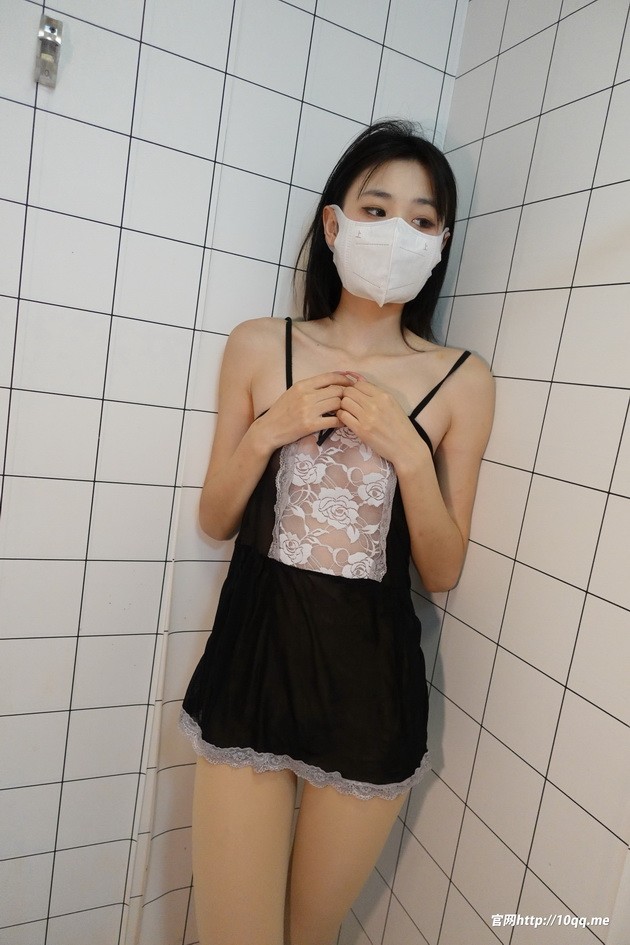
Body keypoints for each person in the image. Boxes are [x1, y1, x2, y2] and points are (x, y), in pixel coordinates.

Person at [180, 119, 495, 945]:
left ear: (440, 244)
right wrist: (270, 428)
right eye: (377, 209)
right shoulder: (261, 345)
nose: (397, 233)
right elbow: (215, 517)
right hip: (254, 661)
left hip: (370, 686)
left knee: (310, 935)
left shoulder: (461, 380)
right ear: (333, 224)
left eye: (422, 220)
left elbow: (443, 568)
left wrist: (408, 452)